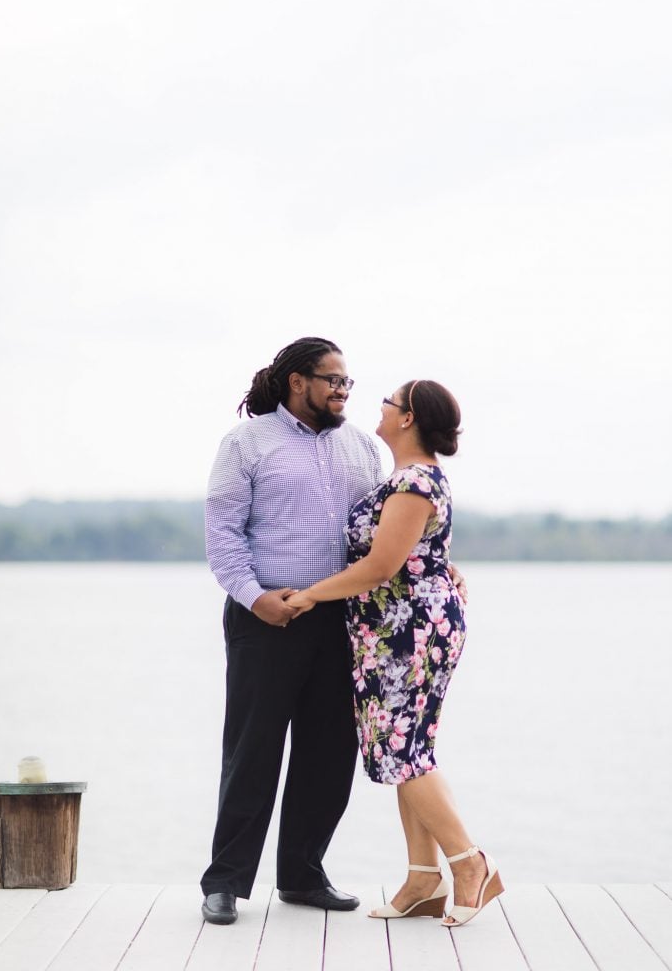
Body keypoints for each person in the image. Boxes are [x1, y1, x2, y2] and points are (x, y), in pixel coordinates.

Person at [200, 339, 468, 927]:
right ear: (298, 382)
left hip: (348, 620)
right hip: (266, 615)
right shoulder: (246, 443)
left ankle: (302, 875)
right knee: (252, 751)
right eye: (334, 381)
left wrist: (438, 564)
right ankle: (224, 884)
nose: (345, 391)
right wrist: (254, 597)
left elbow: (388, 534)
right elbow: (222, 534)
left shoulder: (359, 449)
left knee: (329, 752)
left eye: (350, 382)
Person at [287, 379, 503, 928]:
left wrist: (310, 594)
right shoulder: (409, 478)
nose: (377, 406)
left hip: (408, 631)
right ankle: (422, 879)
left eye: (388, 399)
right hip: (396, 627)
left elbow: (380, 567)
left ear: (407, 418)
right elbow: (414, 556)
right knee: (411, 752)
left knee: (401, 753)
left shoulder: (413, 481)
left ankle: (469, 862)